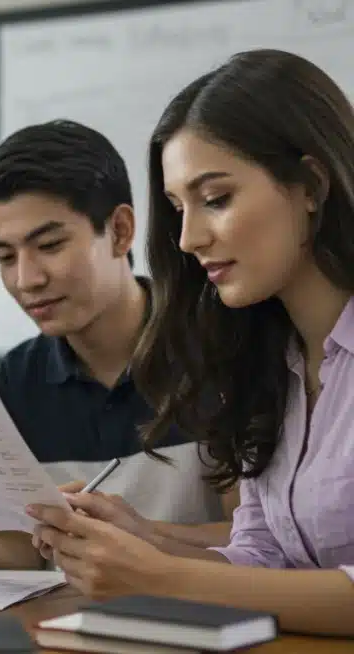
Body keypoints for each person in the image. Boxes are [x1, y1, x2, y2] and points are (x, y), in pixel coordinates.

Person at [28, 49, 354, 637]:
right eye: (178, 208)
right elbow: (265, 559)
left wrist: (158, 576)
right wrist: (141, 541)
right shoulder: (266, 364)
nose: (187, 238)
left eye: (217, 199)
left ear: (310, 185)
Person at [0, 120, 237, 575]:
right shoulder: (21, 377)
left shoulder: (220, 348)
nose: (27, 279)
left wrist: (142, 536)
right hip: (66, 614)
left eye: (49, 245)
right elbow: (26, 546)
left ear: (120, 230)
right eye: (6, 257)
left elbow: (260, 541)